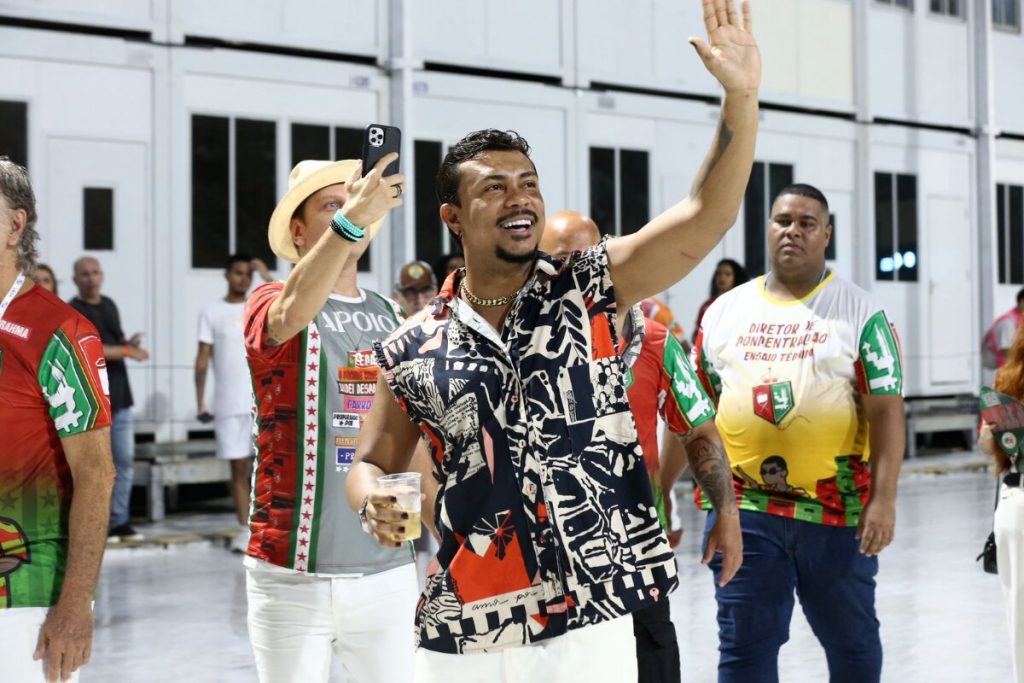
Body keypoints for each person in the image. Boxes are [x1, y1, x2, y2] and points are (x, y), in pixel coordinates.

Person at [348, 4, 760, 679]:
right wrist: (369, 497)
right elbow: (372, 458)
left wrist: (740, 99)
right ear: (452, 215)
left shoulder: (588, 288)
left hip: (591, 616)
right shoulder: (410, 346)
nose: (520, 198)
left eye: (530, 184)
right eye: (495, 188)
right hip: (466, 627)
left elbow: (703, 216)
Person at [693, 183, 905, 683]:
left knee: (852, 646)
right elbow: (695, 415)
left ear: (826, 234)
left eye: (807, 222)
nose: (793, 230)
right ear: (768, 228)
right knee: (744, 650)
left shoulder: (860, 313)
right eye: (782, 220)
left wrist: (885, 500)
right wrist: (665, 490)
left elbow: (888, 412)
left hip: (837, 514)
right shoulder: (723, 313)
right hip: (742, 511)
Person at [242, 155, 423, 682]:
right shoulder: (269, 299)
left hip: (387, 572)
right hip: (290, 575)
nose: (350, 214)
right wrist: (352, 220)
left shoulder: (391, 314)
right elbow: (288, 318)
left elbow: (415, 437)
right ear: (299, 231)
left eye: (355, 206)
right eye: (332, 207)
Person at [541, 210, 741, 683]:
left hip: (636, 554)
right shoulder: (515, 340)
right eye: (557, 262)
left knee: (651, 666)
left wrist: (726, 515)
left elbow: (699, 431)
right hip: (546, 563)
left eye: (587, 260)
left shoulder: (653, 340)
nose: (574, 274)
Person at [0, 157, 116, 682]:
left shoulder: (61, 329)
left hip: (25, 598)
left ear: (16, 224)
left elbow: (97, 473)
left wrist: (75, 608)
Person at [70, 256, 149, 542]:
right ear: (75, 280)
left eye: (95, 272)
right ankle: (96, 524)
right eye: (85, 274)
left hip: (120, 397)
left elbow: (115, 343)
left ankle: (119, 521)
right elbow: (91, 350)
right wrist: (127, 352)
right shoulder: (73, 310)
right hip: (93, 402)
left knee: (125, 462)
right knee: (97, 468)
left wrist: (129, 345)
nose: (91, 278)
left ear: (101, 276)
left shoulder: (110, 305)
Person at [195, 254, 270, 553]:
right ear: (227, 275)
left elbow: (287, 297)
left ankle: (265, 527)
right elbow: (202, 359)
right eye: (238, 273)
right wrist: (200, 401)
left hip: (261, 401)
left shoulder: (258, 306)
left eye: (247, 274)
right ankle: (244, 528)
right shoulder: (211, 312)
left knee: (264, 466)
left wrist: (264, 272)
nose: (244, 279)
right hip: (227, 403)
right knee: (238, 467)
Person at [979, 332, 1024, 683]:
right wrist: (991, 434)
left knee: (1020, 615)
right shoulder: (1007, 379)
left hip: (1016, 506)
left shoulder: (1007, 378)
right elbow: (986, 442)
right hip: (1017, 503)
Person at [692, 258, 748, 343]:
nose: (722, 277)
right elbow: (697, 333)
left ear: (736, 278)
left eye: (727, 274)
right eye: (719, 274)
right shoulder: (706, 306)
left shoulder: (742, 304)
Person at [983, 287, 1024, 375]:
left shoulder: (1019, 319)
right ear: (1021, 302)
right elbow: (1006, 352)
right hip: (992, 367)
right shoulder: (1007, 323)